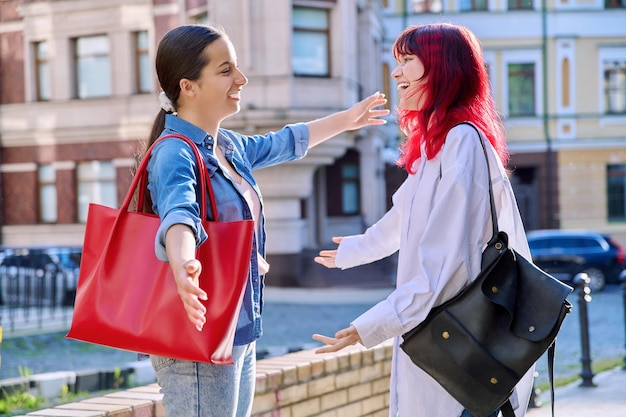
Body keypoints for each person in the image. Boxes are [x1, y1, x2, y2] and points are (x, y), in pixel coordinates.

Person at [143, 24, 388, 417]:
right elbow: (179, 215)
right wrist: (184, 263)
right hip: (198, 335)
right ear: (188, 86)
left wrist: (348, 119)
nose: (241, 79)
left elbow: (286, 142)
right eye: (225, 71)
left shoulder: (228, 146)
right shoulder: (175, 153)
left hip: (238, 325)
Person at [312, 23, 534, 417]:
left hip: (455, 346)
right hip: (441, 340)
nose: (396, 73)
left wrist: (370, 325)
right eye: (397, 62)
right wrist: (354, 250)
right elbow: (403, 217)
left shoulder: (463, 142)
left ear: (443, 67)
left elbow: (443, 265)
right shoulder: (441, 143)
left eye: (408, 61)